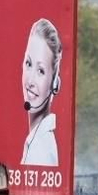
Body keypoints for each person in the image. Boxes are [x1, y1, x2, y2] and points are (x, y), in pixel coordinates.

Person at [21, 18, 64, 166]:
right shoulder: (35, 140)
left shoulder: (41, 150)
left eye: (41, 71)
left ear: (54, 83)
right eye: (28, 63)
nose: (31, 81)